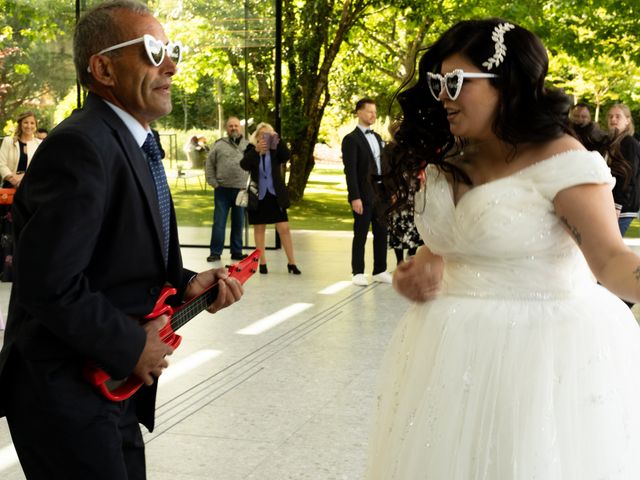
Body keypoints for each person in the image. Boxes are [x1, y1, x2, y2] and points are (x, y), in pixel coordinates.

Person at [366, 18, 640, 478]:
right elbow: (449, 244)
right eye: (437, 83)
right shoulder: (452, 158)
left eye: (455, 82)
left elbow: (610, 259)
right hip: (445, 354)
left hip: (536, 356)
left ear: (506, 83)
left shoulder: (562, 161)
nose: (443, 96)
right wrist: (417, 268)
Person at [0, 2, 243, 479]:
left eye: (171, 50)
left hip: (112, 386)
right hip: (64, 395)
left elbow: (117, 261)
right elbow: (48, 284)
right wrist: (132, 345)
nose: (170, 64)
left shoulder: (134, 143)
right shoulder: (80, 147)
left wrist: (186, 283)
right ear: (104, 67)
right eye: (153, 51)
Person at [342, 98, 391, 286]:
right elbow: (350, 171)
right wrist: (355, 197)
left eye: (375, 112)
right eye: (370, 111)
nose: (373, 115)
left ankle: (380, 269)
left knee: (381, 231)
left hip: (381, 192)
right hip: (363, 193)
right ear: (359, 113)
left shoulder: (378, 137)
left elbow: (383, 166)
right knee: (361, 232)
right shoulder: (351, 139)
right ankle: (357, 272)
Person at [240, 122, 300, 274]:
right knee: (259, 229)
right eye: (262, 134)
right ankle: (262, 263)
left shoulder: (276, 149)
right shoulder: (251, 149)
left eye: (268, 134)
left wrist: (278, 141)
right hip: (258, 196)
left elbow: (286, 156)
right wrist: (256, 151)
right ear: (257, 137)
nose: (265, 137)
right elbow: (244, 165)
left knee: (284, 228)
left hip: (275, 196)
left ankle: (292, 263)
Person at [205, 116, 249, 262]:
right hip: (222, 190)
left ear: (240, 128)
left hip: (241, 191)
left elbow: (255, 167)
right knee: (219, 222)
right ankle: (215, 253)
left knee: (238, 223)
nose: (234, 128)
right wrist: (214, 183)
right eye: (231, 126)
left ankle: (236, 252)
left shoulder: (248, 146)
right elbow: (209, 164)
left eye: (236, 125)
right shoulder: (218, 145)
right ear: (226, 128)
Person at [605, 103, 640, 236]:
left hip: (622, 208)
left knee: (610, 250)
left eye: (618, 117)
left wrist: (617, 205)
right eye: (610, 117)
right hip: (610, 203)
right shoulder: (612, 142)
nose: (613, 119)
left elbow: (628, 176)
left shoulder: (629, 143)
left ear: (627, 121)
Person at [0, 110, 42, 187]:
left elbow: (41, 167)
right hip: (9, 186)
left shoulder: (39, 144)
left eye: (32, 123)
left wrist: (24, 179)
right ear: (20, 124)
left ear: (36, 126)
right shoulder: (8, 141)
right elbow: (1, 164)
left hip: (31, 186)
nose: (29, 126)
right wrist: (13, 179)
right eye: (26, 122)